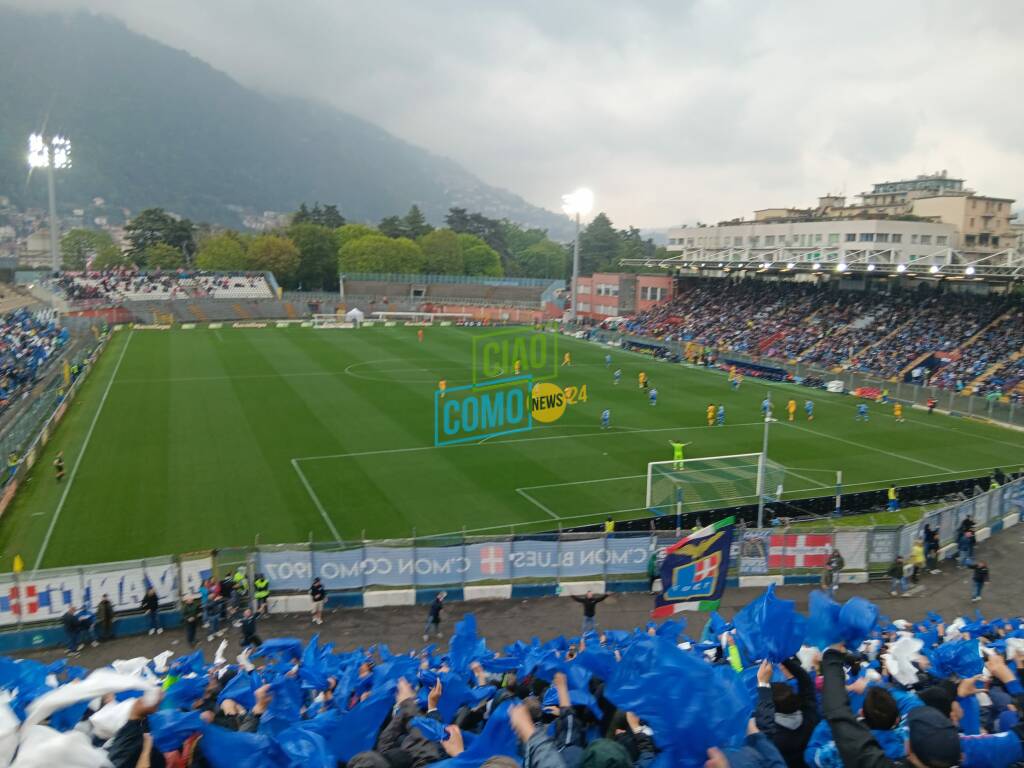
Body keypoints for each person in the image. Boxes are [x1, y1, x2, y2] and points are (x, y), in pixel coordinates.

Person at [754, 657, 819, 768]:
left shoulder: (772, 736)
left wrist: (763, 684)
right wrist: (782, 657)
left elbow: (764, 723)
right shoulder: (810, 716)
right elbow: (806, 682)